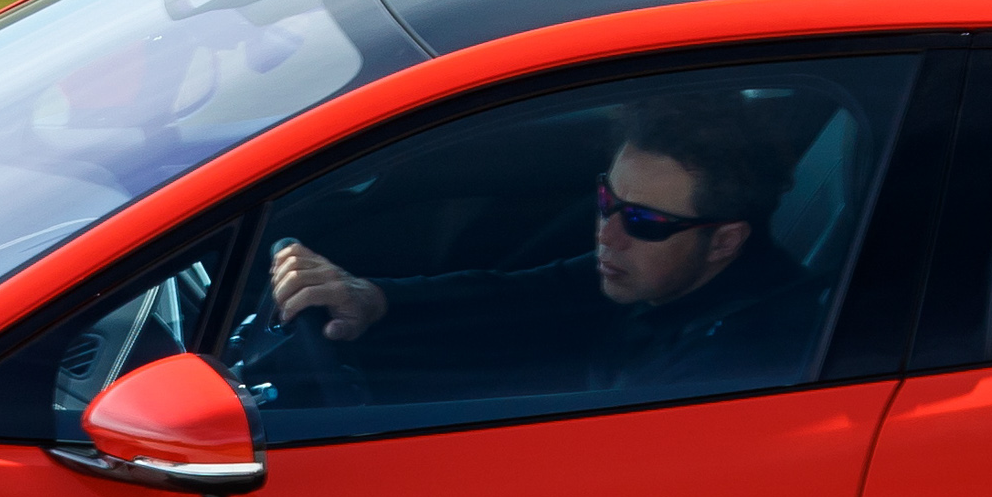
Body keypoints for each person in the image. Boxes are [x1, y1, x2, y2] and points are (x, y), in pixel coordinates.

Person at [263, 93, 826, 403]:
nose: (606, 232)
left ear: (724, 240)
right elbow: (523, 296)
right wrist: (373, 299)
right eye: (606, 199)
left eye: (643, 220)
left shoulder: (732, 370)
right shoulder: (665, 273)